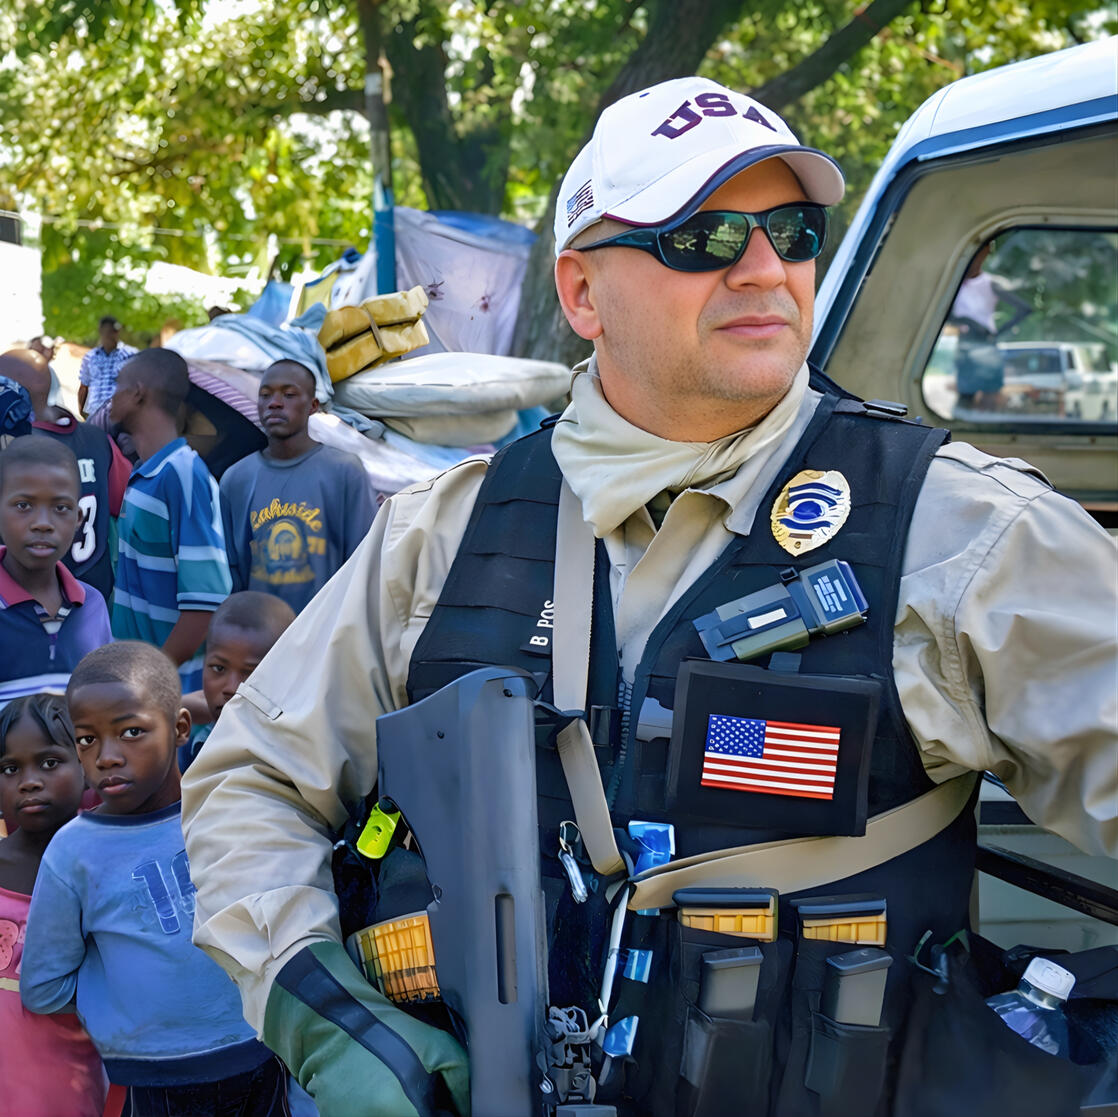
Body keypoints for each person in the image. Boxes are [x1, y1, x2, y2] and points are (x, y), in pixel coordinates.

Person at [181, 77, 1117, 1117]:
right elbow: (251, 778)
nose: (763, 268)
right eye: (702, 237)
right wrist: (327, 1021)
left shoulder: (963, 531)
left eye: (793, 231)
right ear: (582, 293)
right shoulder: (441, 534)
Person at [19, 641, 288, 1115]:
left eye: (131, 732)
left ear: (180, 728)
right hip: (151, 1080)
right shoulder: (73, 853)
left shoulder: (228, 811)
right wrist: (122, 994)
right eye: (87, 740)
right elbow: (44, 987)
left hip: (263, 1058)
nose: (106, 757)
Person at [0, 693, 108, 1117]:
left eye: (49, 763)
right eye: (10, 769)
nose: (29, 781)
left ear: (86, 765)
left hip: (72, 1090)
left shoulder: (105, 867)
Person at [109, 349, 232, 692]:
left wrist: (152, 679)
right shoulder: (146, 472)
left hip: (167, 689)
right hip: (137, 679)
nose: (110, 397)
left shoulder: (182, 473)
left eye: (117, 386)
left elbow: (205, 604)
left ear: (138, 392)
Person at [219, 359, 376, 615]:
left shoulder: (344, 471)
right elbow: (232, 572)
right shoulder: (236, 480)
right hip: (260, 633)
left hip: (325, 629)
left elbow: (363, 565)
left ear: (312, 406)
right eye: (265, 395)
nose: (275, 403)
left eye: (289, 394)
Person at [1, 349, 132, 601]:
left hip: (27, 597)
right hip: (93, 591)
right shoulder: (97, 439)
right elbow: (124, 504)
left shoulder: (13, 448)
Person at [0, 437, 112, 706]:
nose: (42, 524)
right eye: (24, 505)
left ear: (78, 518)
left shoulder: (92, 606)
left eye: (61, 508)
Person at [179, 590, 296, 773]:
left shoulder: (288, 760)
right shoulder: (193, 738)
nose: (231, 688)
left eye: (250, 674)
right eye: (218, 668)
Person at [78, 316, 136, 419]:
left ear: (118, 332)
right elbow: (84, 386)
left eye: (113, 331)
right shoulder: (90, 357)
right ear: (100, 332)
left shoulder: (130, 354)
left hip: (120, 414)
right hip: (95, 413)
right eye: (107, 332)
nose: (110, 335)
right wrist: (82, 413)